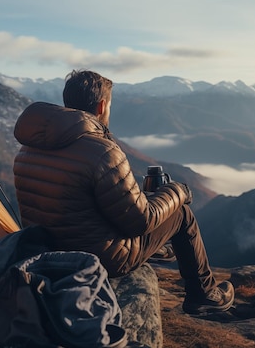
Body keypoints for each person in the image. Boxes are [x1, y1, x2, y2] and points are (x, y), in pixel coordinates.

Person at [12, 69, 234, 315]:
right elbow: (141, 222)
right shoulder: (101, 151)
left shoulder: (28, 148)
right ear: (102, 106)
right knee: (181, 214)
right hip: (102, 259)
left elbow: (78, 207)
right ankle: (203, 294)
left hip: (48, 251)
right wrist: (178, 191)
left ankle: (157, 251)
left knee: (128, 202)